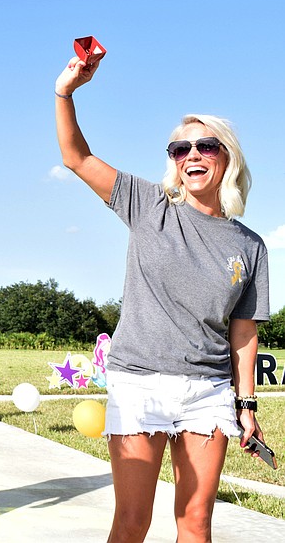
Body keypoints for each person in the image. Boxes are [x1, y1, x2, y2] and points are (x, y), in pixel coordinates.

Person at [55, 53, 270, 542]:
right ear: (173, 161)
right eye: (180, 149)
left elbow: (243, 331)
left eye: (205, 146)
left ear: (227, 157)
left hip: (209, 393)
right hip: (139, 385)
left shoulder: (250, 245)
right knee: (132, 522)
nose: (191, 155)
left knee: (196, 522)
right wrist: (65, 92)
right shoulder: (149, 204)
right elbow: (77, 157)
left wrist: (247, 402)